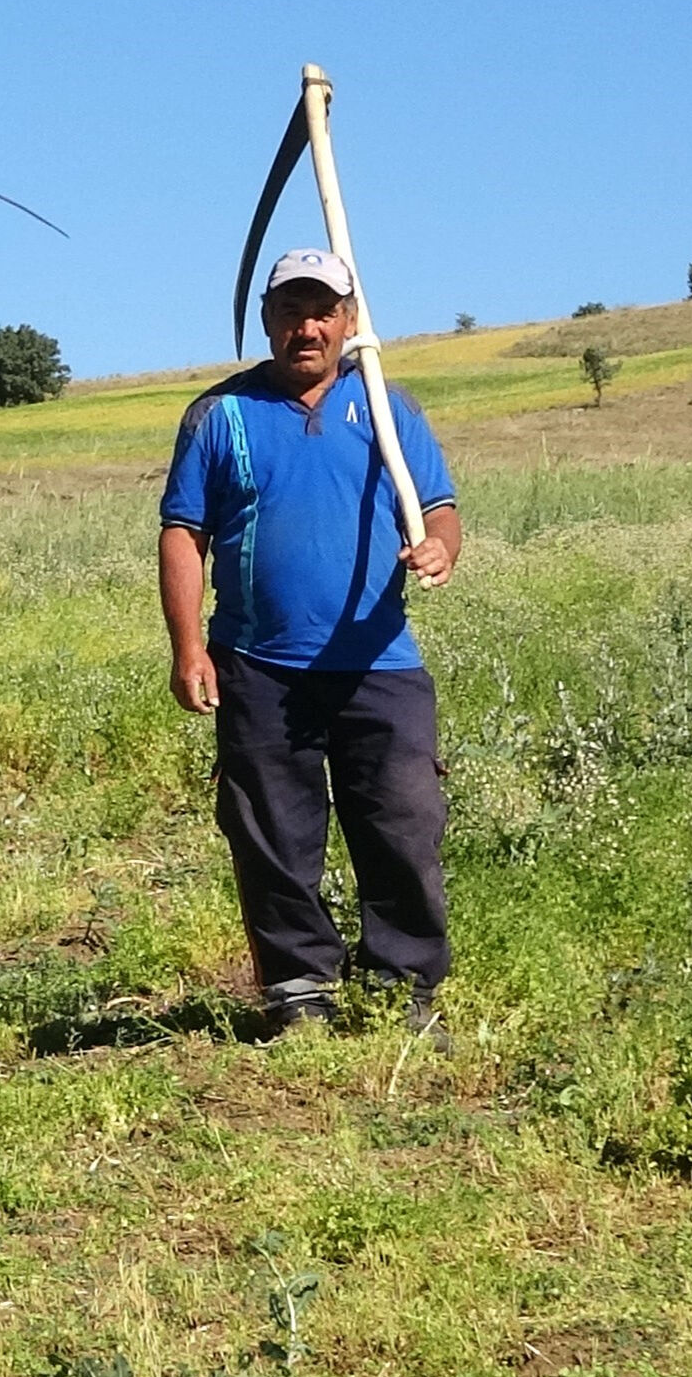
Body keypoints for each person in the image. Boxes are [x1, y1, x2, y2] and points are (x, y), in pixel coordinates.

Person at [157, 249, 463, 1038]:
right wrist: (188, 648)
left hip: (378, 660)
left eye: (323, 310)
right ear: (267, 320)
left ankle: (403, 988)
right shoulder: (218, 415)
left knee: (402, 822)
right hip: (259, 663)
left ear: (350, 320)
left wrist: (439, 546)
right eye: (291, 310)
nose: (308, 326)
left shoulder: (391, 410)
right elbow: (182, 532)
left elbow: (437, 505)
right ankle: (298, 987)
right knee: (273, 832)